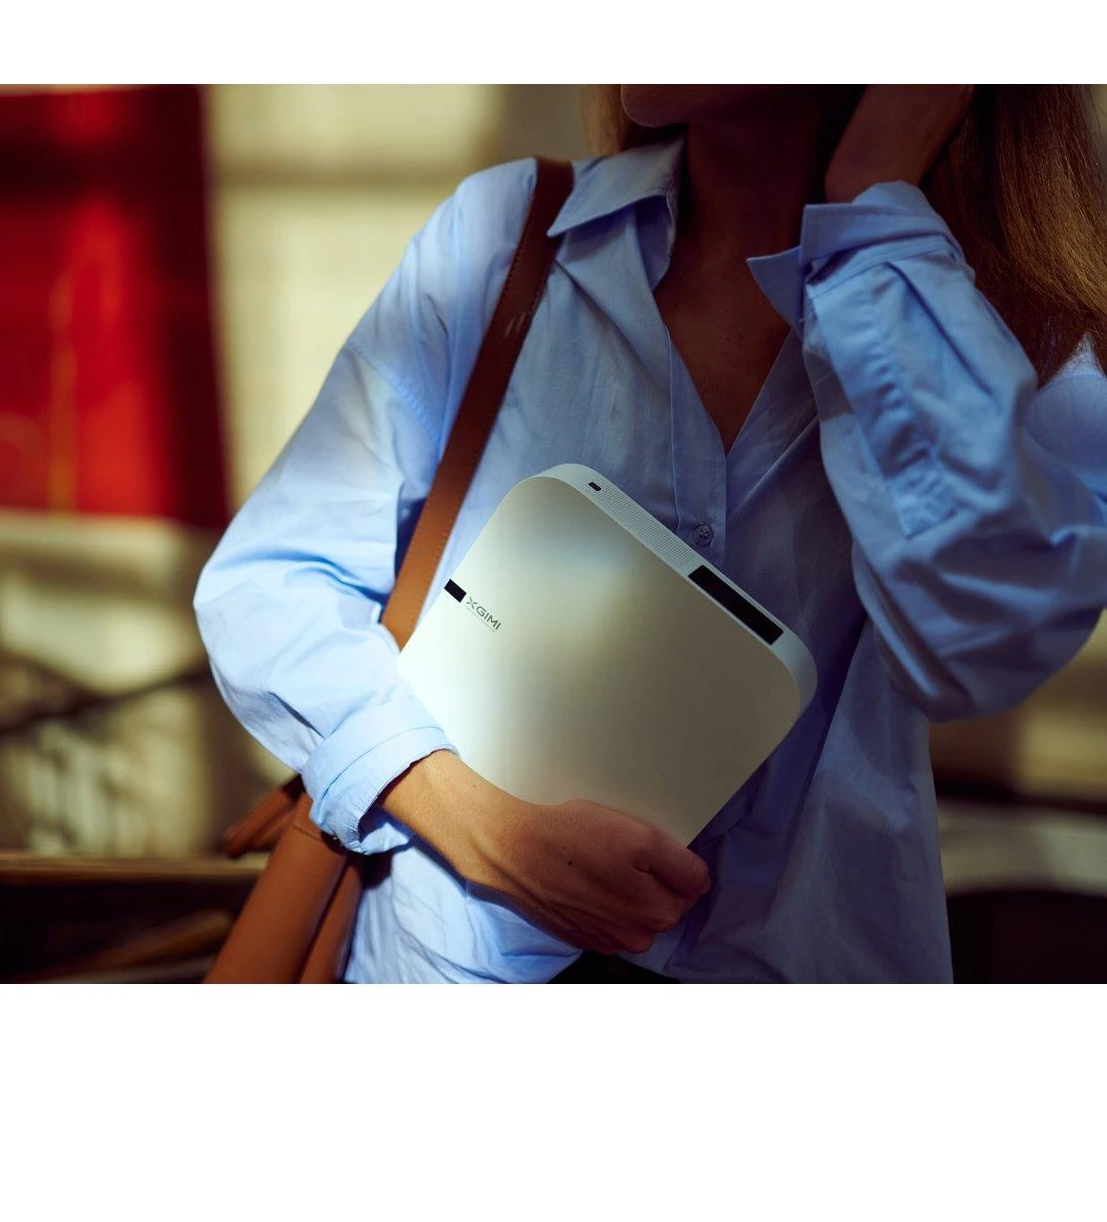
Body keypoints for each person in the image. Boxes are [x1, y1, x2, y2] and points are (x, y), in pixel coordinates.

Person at [194, 86, 1107, 983]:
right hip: (444, 971)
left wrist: (871, 207)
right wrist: (477, 823)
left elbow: (977, 642)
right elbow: (272, 582)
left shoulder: (1004, 329)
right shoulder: (508, 236)